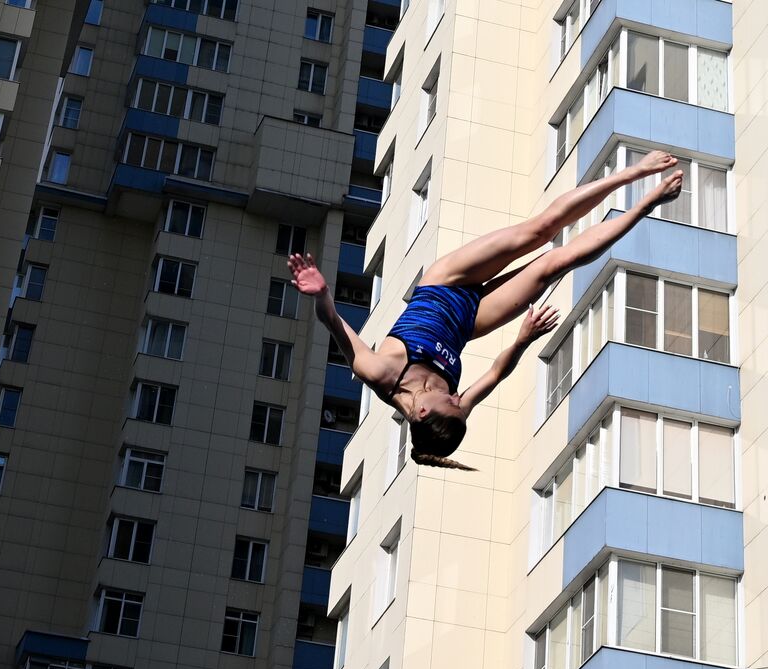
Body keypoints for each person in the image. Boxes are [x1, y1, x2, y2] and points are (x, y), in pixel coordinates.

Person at [289, 150, 684, 469]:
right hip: (469, 323)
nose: (462, 399)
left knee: (540, 231)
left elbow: (337, 328)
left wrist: (322, 295)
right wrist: (522, 340)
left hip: (447, 284)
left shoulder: (381, 373)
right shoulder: (455, 411)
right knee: (555, 264)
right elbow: (497, 372)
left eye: (455, 402)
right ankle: (647, 202)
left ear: (422, 411)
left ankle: (633, 173)